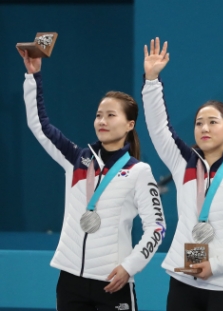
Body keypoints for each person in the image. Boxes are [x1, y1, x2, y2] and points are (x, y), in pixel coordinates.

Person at [19, 48, 166, 311]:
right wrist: (34, 76)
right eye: (99, 115)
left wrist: (129, 267)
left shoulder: (138, 171)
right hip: (70, 279)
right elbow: (39, 125)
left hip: (113, 281)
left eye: (111, 115)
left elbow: (156, 228)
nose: (102, 121)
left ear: (130, 124)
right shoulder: (76, 159)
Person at [142, 38, 223, 311]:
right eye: (199, 123)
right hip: (182, 279)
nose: (204, 128)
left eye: (213, 122)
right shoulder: (183, 163)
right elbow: (158, 128)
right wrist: (152, 81)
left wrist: (216, 266)